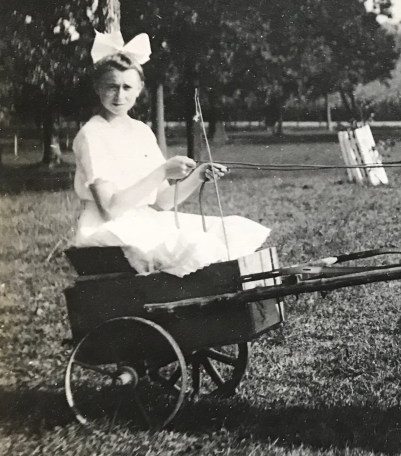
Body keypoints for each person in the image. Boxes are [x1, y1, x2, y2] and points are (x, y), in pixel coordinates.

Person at [71, 31, 270, 277]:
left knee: (226, 230)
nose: (119, 96)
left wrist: (198, 176)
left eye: (126, 87)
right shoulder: (92, 135)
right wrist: (163, 171)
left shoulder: (141, 131)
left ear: (140, 88)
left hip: (143, 222)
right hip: (110, 229)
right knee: (200, 246)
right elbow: (110, 208)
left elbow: (162, 201)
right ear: (97, 87)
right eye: (111, 87)